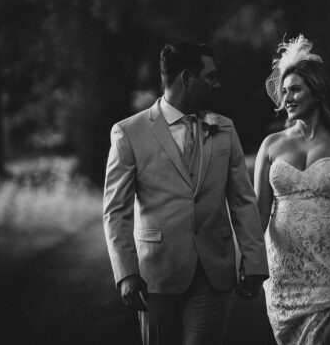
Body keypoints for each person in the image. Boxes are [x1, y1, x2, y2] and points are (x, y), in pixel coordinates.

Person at [103, 42, 269, 345]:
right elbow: (116, 211)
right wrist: (126, 273)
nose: (217, 84)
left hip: (213, 272)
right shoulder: (129, 133)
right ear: (187, 79)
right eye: (211, 76)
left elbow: (243, 201)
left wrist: (255, 260)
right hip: (156, 274)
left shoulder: (225, 129)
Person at [254, 35, 330, 345]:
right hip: (286, 277)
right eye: (284, 91)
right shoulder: (271, 146)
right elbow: (258, 214)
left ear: (317, 92)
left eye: (295, 89)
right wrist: (249, 265)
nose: (286, 98)